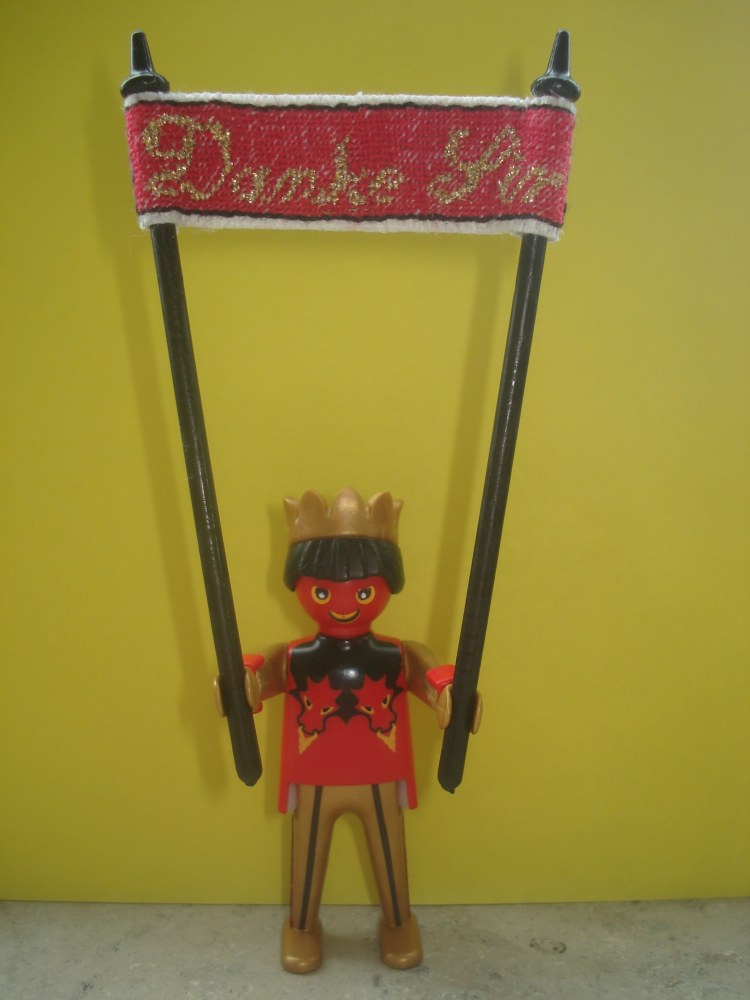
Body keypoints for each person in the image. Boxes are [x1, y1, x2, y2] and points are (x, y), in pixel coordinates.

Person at [241, 487, 479, 973]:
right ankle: (302, 926)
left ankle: (398, 921)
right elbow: (258, 675)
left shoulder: (394, 654)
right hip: (315, 773)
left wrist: (448, 692)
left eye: (364, 591)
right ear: (301, 587)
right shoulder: (294, 657)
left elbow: (430, 672)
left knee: (390, 855)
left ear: (387, 586)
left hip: (378, 771)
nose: (343, 603)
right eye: (323, 591)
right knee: (307, 855)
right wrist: (240, 679)